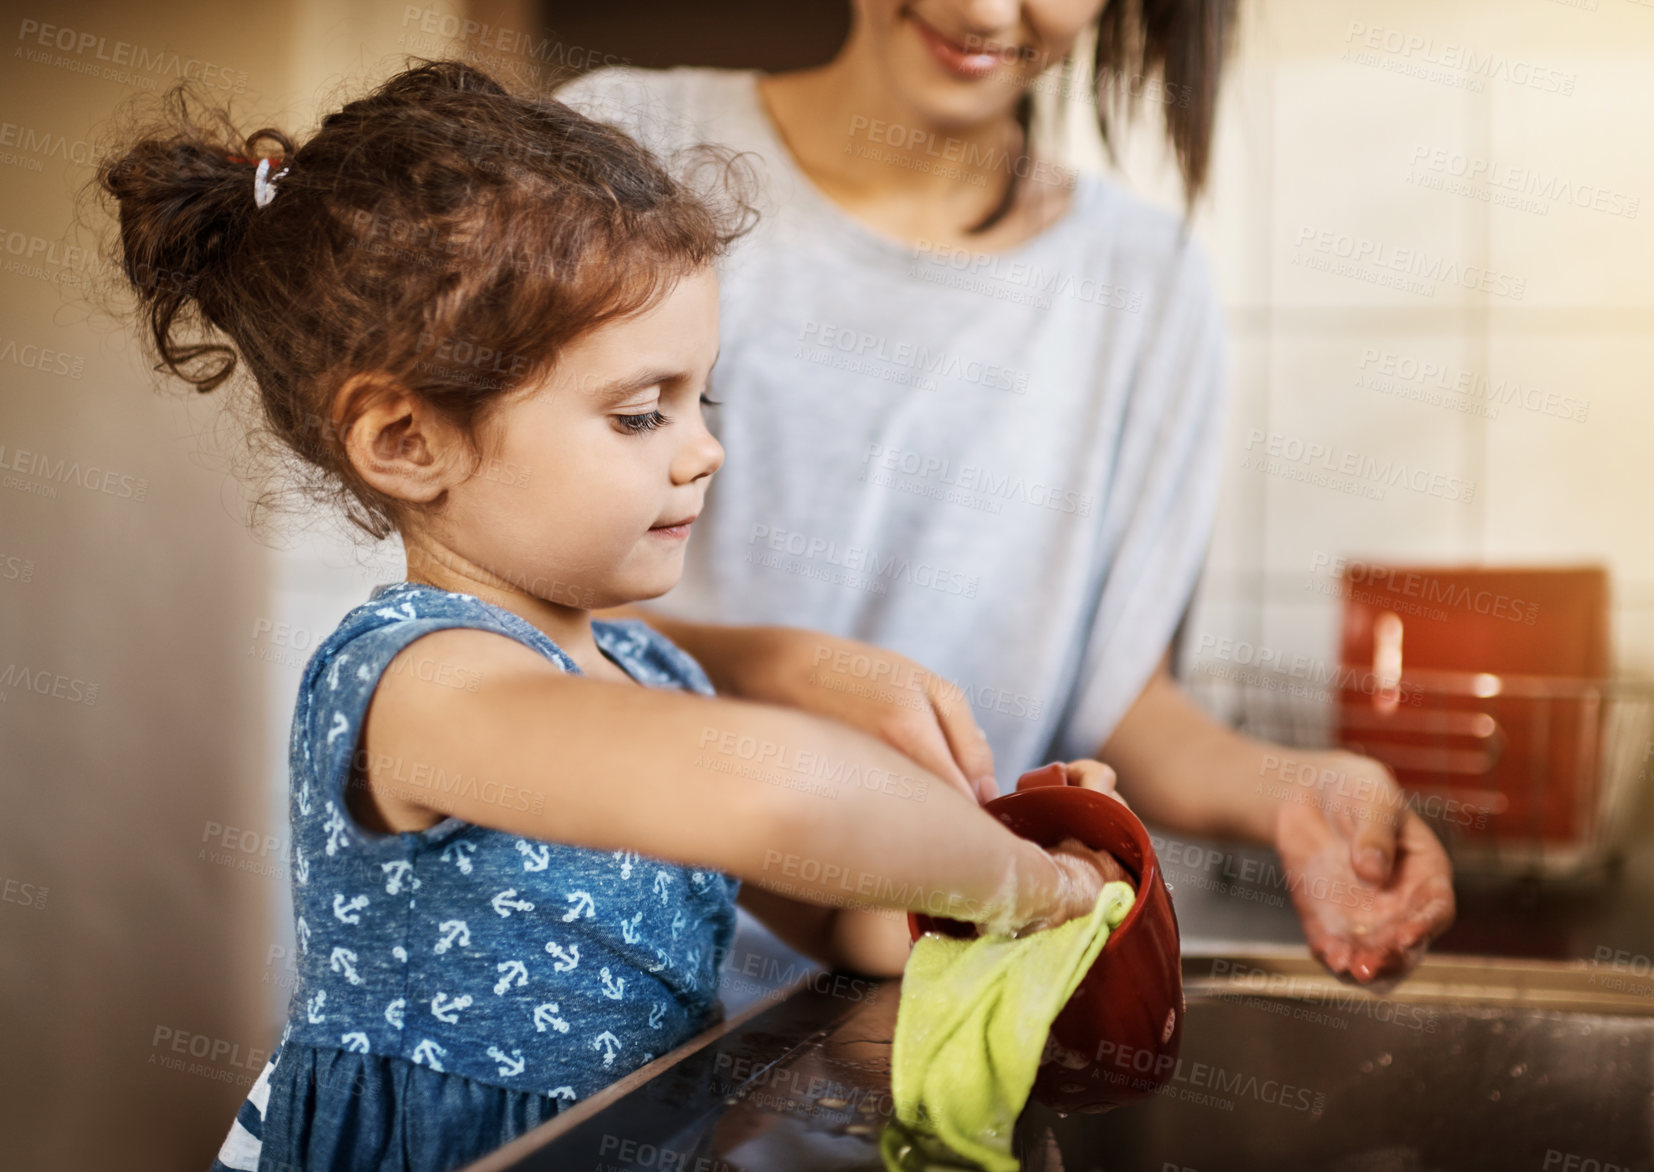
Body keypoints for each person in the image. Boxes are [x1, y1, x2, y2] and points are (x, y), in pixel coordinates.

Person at [98, 60, 1126, 1172]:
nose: (703, 448)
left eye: (701, 398)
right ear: (407, 440)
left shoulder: (648, 673)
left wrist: (1020, 864)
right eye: (640, 414)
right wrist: (1010, 877)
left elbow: (847, 922)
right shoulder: (421, 683)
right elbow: (776, 794)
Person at [556, 0, 1456, 986]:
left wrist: (1299, 788)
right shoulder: (625, 150)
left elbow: (1125, 704)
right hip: (593, 986)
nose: (987, 11)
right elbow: (474, 618)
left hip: (921, 983)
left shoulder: (1141, 279)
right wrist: (781, 669)